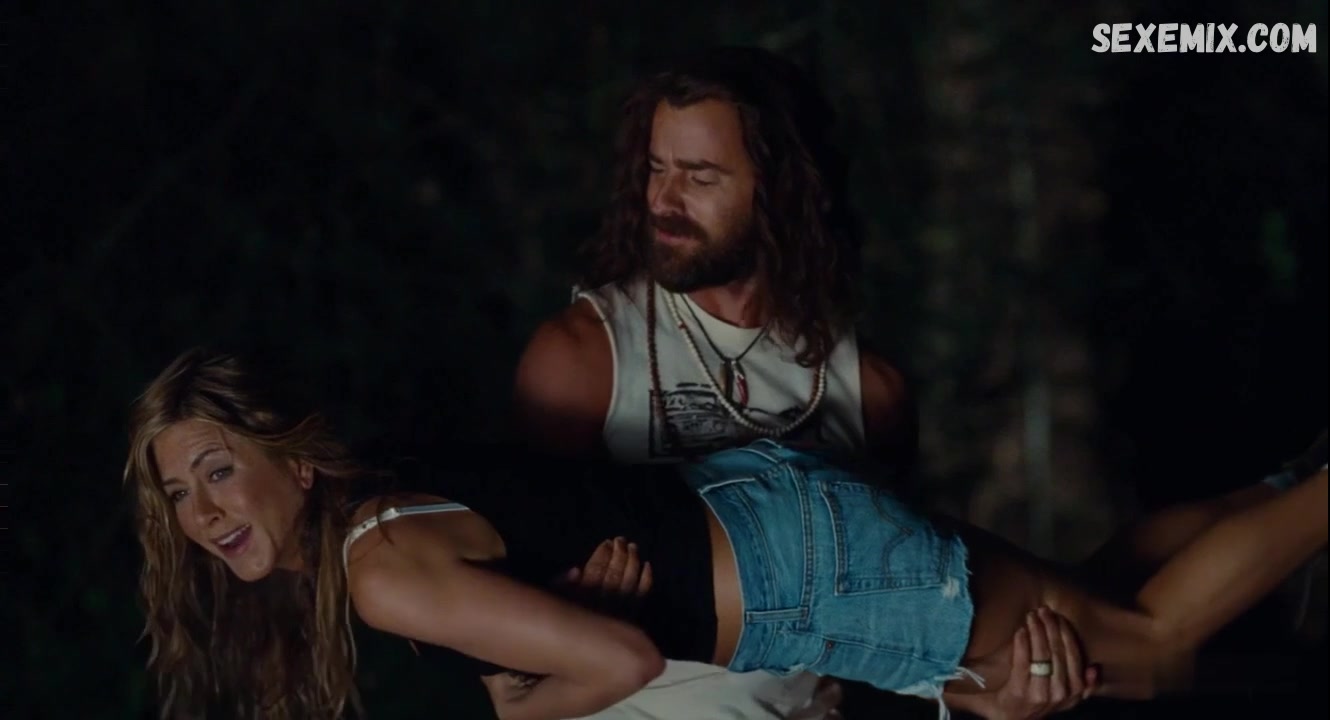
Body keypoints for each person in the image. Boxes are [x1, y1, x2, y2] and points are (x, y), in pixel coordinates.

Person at [127, 348, 1328, 720]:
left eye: (218, 473)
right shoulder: (387, 507)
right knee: (1091, 594)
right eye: (178, 496)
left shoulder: (377, 572)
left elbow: (621, 662)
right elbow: (549, 610)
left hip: (802, 578)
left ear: (291, 458)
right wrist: (543, 651)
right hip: (775, 517)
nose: (203, 514)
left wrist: (521, 706)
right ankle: (1293, 485)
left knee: (1145, 648)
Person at [511, 45, 1096, 720]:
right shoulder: (584, 359)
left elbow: (885, 614)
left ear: (781, 189)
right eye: (656, 169)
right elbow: (504, 611)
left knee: (1120, 630)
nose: (663, 201)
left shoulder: (869, 388)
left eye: (700, 177)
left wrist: (990, 698)